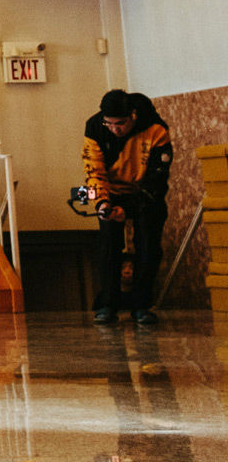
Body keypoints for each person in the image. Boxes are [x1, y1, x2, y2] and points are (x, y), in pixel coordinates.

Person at [84, 89, 174, 324]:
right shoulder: (94, 128)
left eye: (120, 124)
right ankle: (108, 305)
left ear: (132, 116)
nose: (115, 129)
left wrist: (129, 210)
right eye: (109, 124)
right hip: (112, 192)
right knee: (109, 245)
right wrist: (102, 202)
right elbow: (94, 170)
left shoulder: (156, 130)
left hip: (145, 192)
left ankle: (141, 306)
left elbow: (156, 180)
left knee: (148, 244)